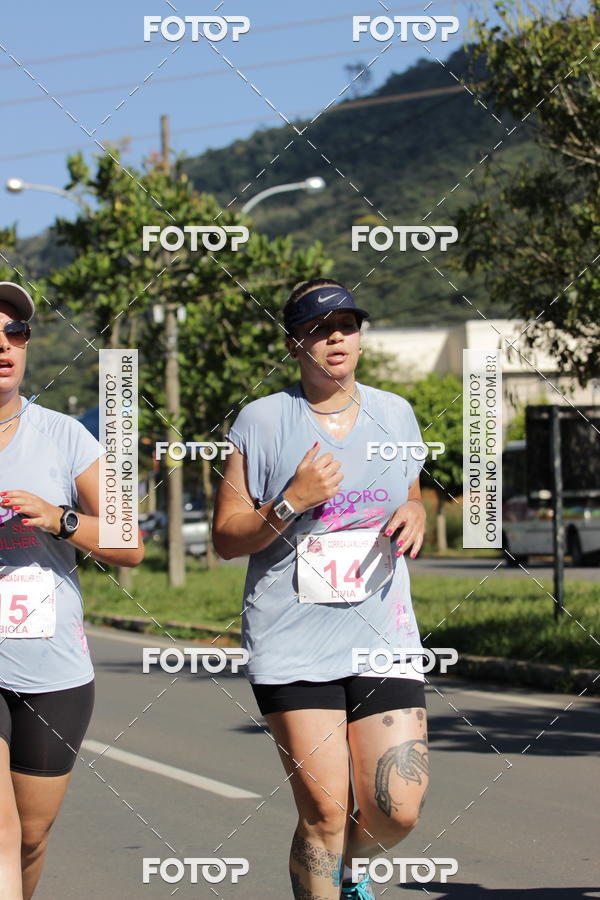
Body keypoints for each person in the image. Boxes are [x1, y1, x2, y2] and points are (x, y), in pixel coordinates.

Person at [213, 278, 429, 899]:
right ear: (293, 344)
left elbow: (409, 491)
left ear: (359, 338)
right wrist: (290, 501)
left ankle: (345, 869)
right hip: (293, 643)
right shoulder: (263, 421)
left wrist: (415, 510)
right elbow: (226, 537)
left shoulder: (395, 413)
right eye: (318, 328)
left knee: (398, 809)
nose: (335, 338)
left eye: (346, 326)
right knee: (326, 812)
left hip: (382, 634)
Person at [0, 282, 144, 899]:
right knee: (1, 833)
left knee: (31, 836)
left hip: (51, 665)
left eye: (15, 333)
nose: (4, 345)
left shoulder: (65, 436)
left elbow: (130, 541)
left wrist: (59, 518)